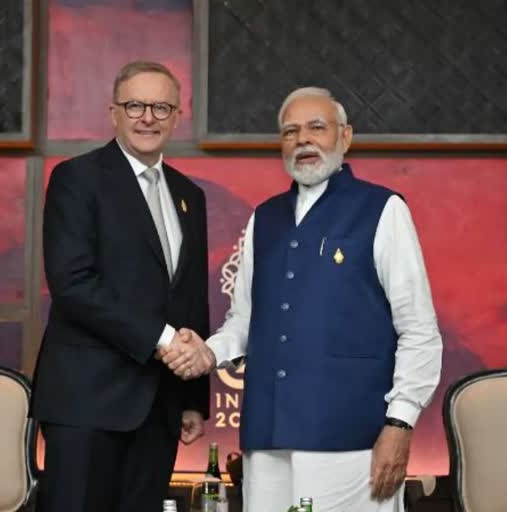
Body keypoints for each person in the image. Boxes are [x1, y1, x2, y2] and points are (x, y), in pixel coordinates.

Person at [160, 87, 442, 511]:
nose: (302, 140)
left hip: (351, 440)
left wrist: (400, 423)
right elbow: (244, 320)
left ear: (345, 137)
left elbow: (419, 330)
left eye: (316, 127)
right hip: (267, 436)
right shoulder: (264, 218)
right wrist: (206, 352)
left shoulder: (383, 210)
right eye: (290, 131)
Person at [31, 61, 210, 512]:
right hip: (87, 404)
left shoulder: (190, 195)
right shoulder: (77, 179)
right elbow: (73, 284)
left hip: (159, 407)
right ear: (114, 112)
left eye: (161, 107)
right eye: (135, 105)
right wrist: (165, 339)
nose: (147, 117)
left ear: (176, 116)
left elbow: (189, 297)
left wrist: (191, 398)